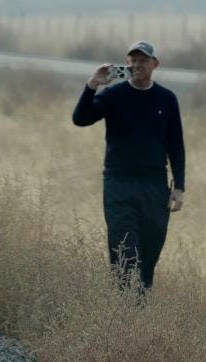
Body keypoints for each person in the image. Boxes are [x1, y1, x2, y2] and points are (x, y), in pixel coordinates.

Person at [72, 41, 186, 291]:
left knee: (150, 251)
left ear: (155, 64)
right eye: (132, 60)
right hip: (119, 184)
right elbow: (80, 119)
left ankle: (139, 310)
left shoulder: (166, 99)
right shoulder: (114, 95)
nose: (137, 65)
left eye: (143, 60)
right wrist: (92, 85)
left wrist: (179, 186)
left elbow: (176, 144)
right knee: (124, 250)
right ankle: (121, 307)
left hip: (155, 186)